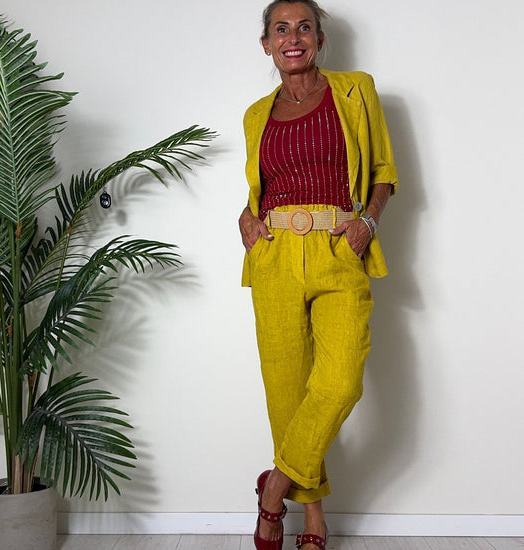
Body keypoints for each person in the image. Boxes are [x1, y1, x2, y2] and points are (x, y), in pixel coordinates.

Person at [238, 1, 398, 549]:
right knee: (287, 394)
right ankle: (312, 519)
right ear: (267, 45)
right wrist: (245, 216)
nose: (293, 37)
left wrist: (367, 225)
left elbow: (383, 173)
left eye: (304, 27)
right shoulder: (255, 115)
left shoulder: (355, 90)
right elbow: (263, 188)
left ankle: (273, 488)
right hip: (274, 255)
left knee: (339, 382)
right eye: (280, 29)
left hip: (338, 248)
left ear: (319, 38)